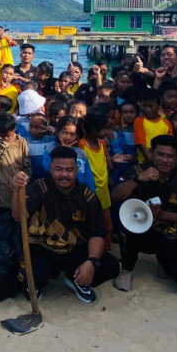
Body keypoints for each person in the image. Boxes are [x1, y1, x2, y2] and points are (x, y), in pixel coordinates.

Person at [12, 147, 122, 304]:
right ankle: (34, 285)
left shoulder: (88, 197)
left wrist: (91, 262)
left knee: (110, 266)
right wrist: (17, 191)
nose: (64, 174)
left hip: (73, 248)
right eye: (59, 169)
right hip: (43, 247)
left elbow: (97, 233)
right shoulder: (38, 188)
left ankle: (74, 278)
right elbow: (18, 217)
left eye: (69, 170)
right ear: (51, 168)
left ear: (77, 170)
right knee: (31, 274)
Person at [112, 135, 177, 292]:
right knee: (128, 225)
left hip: (172, 233)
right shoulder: (138, 171)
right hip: (142, 231)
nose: (165, 160)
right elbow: (116, 196)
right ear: (152, 153)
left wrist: (162, 215)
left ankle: (165, 259)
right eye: (160, 154)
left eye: (170, 156)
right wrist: (138, 179)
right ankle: (127, 269)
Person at [78, 107, 115, 249]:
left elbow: (107, 163)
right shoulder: (82, 145)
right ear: (93, 129)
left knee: (108, 226)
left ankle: (105, 250)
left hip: (103, 192)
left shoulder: (102, 143)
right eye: (103, 129)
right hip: (89, 193)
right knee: (90, 226)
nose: (106, 133)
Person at [0, 112, 31, 215]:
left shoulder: (21, 142)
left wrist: (25, 181)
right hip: (1, 191)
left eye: (8, 136)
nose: (6, 138)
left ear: (14, 129)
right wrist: (1, 147)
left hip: (17, 188)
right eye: (2, 135)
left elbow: (27, 166)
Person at [133, 88, 172, 163]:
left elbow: (169, 143)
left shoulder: (166, 123)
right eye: (145, 106)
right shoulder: (139, 121)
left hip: (163, 161)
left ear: (159, 105)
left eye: (151, 106)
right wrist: (150, 159)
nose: (147, 109)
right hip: (145, 161)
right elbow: (141, 143)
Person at [110, 100, 139, 183]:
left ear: (137, 114)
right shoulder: (115, 130)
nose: (128, 115)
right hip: (118, 168)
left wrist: (134, 157)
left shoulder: (140, 129)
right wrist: (120, 131)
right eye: (125, 112)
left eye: (131, 112)